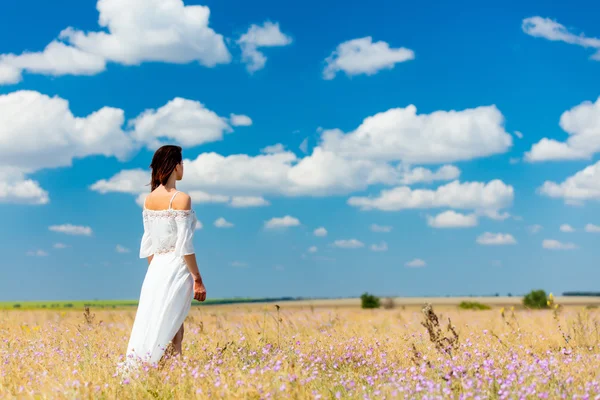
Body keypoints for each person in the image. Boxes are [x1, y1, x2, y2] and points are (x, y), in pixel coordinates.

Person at [120, 145, 206, 371]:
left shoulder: (149, 200)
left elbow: (148, 244)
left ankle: (153, 367)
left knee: (157, 318)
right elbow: (185, 245)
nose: (183, 167)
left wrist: (156, 270)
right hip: (176, 265)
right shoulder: (181, 199)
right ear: (176, 166)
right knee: (175, 322)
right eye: (182, 162)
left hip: (156, 267)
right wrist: (197, 278)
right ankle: (173, 370)